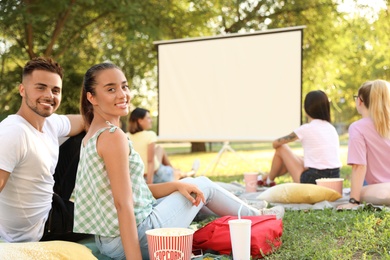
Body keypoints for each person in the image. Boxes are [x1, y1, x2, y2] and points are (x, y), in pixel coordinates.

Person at [73, 62, 285, 260]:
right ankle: (260, 216)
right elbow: (123, 204)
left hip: (108, 241)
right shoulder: (112, 136)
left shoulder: (91, 136)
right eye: (111, 89)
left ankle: (246, 208)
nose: (122, 95)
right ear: (92, 97)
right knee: (203, 185)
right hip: (133, 239)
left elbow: (133, 192)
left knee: (191, 189)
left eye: (124, 86)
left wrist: (175, 185)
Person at [0, 57, 87, 242]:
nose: (49, 95)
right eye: (40, 87)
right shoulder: (13, 132)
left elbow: (83, 122)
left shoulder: (49, 122)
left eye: (55, 90)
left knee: (83, 137)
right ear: (22, 90)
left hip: (49, 198)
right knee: (106, 217)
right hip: (38, 228)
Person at [259, 90, 341, 186]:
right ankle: (266, 178)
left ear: (306, 109)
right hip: (335, 178)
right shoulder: (331, 128)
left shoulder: (306, 128)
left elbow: (276, 143)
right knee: (299, 158)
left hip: (313, 180)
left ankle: (268, 180)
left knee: (281, 149)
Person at [337, 80, 390, 209]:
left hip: (383, 190)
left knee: (357, 191)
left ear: (360, 100)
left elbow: (359, 167)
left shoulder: (357, 128)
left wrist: (353, 202)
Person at [128, 107, 199, 184]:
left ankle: (178, 171)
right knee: (178, 174)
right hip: (156, 175)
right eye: (148, 118)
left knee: (159, 148)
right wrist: (149, 184)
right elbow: (150, 161)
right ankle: (190, 173)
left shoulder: (126, 136)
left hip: (139, 175)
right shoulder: (150, 135)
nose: (151, 120)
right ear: (140, 121)